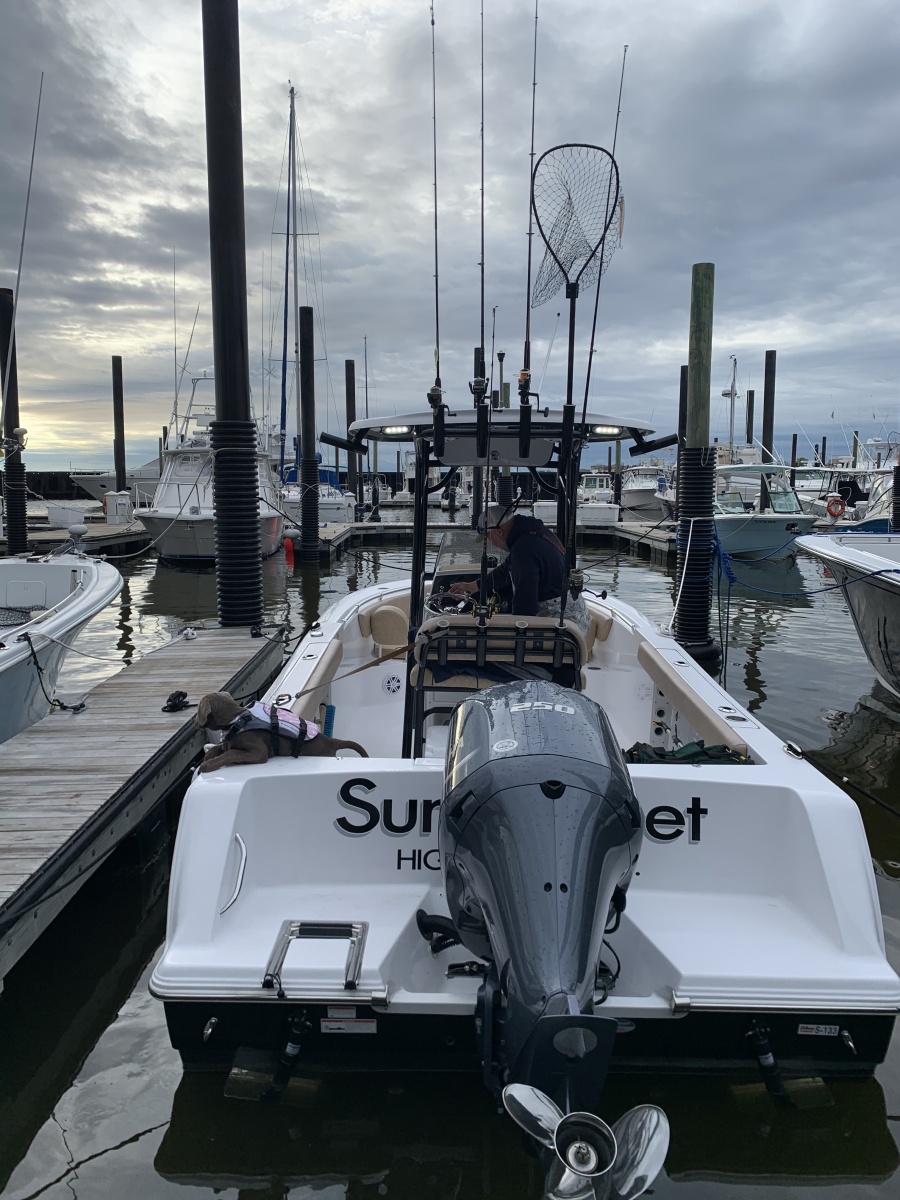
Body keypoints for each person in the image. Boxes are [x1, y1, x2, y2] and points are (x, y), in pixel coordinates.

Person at [449, 503, 589, 631]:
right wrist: (472, 586)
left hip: (564, 625)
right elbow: (505, 571)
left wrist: (514, 632)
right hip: (576, 617)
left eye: (489, 537)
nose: (491, 543)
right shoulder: (532, 532)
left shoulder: (524, 549)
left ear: (499, 531)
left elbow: (525, 602)